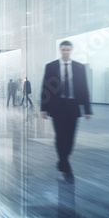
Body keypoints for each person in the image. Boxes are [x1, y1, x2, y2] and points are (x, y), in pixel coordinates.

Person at [41, 41, 92, 184]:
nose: (65, 52)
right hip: (57, 107)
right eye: (63, 49)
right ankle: (65, 164)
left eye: (68, 50)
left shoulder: (79, 67)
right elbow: (45, 87)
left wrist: (87, 109)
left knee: (70, 137)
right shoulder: (51, 67)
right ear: (60, 50)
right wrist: (43, 108)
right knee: (60, 135)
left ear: (71, 51)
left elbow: (84, 88)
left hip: (73, 106)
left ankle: (62, 161)